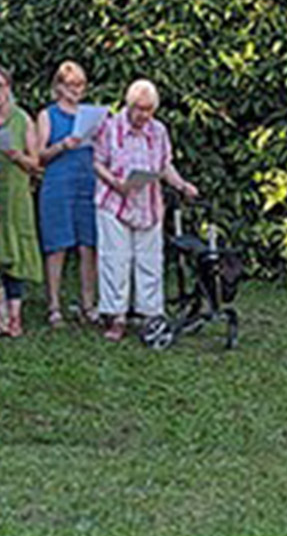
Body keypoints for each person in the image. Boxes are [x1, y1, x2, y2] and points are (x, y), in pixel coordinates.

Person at [93, 79, 199, 343]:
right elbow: (97, 162)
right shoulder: (111, 127)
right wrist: (115, 183)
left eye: (149, 109)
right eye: (139, 109)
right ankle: (116, 317)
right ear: (129, 105)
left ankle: (150, 316)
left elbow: (164, 166)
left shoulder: (159, 130)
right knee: (115, 260)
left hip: (148, 203)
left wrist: (182, 185)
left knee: (149, 261)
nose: (144, 115)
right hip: (114, 201)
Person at [0, 67, 43, 337]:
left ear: (9, 88)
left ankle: (15, 316)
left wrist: (18, 157)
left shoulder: (22, 119)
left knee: (14, 254)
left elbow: (35, 163)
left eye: (1, 86)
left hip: (14, 196)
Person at [37, 61, 100, 328]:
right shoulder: (47, 115)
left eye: (80, 85)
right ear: (59, 86)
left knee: (89, 245)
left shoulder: (91, 115)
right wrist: (63, 145)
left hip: (88, 182)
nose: (76, 90)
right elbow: (39, 156)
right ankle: (54, 306)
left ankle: (89, 304)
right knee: (57, 244)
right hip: (58, 183)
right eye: (71, 84)